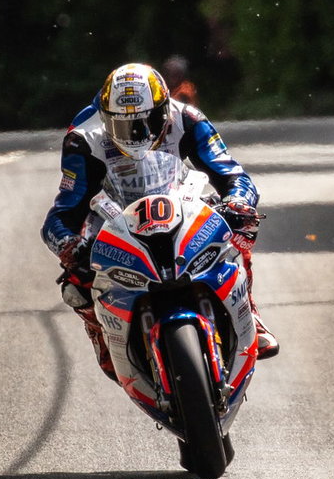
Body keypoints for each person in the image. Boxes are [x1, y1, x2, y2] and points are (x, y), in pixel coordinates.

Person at [43, 63, 278, 381]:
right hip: (114, 216)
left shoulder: (188, 118)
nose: (135, 134)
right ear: (106, 118)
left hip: (180, 203)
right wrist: (70, 246)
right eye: (123, 125)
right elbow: (63, 213)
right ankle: (100, 331)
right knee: (76, 283)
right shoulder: (83, 137)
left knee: (235, 229)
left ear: (164, 109)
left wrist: (238, 203)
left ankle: (248, 310)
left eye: (147, 122)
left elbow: (233, 174)